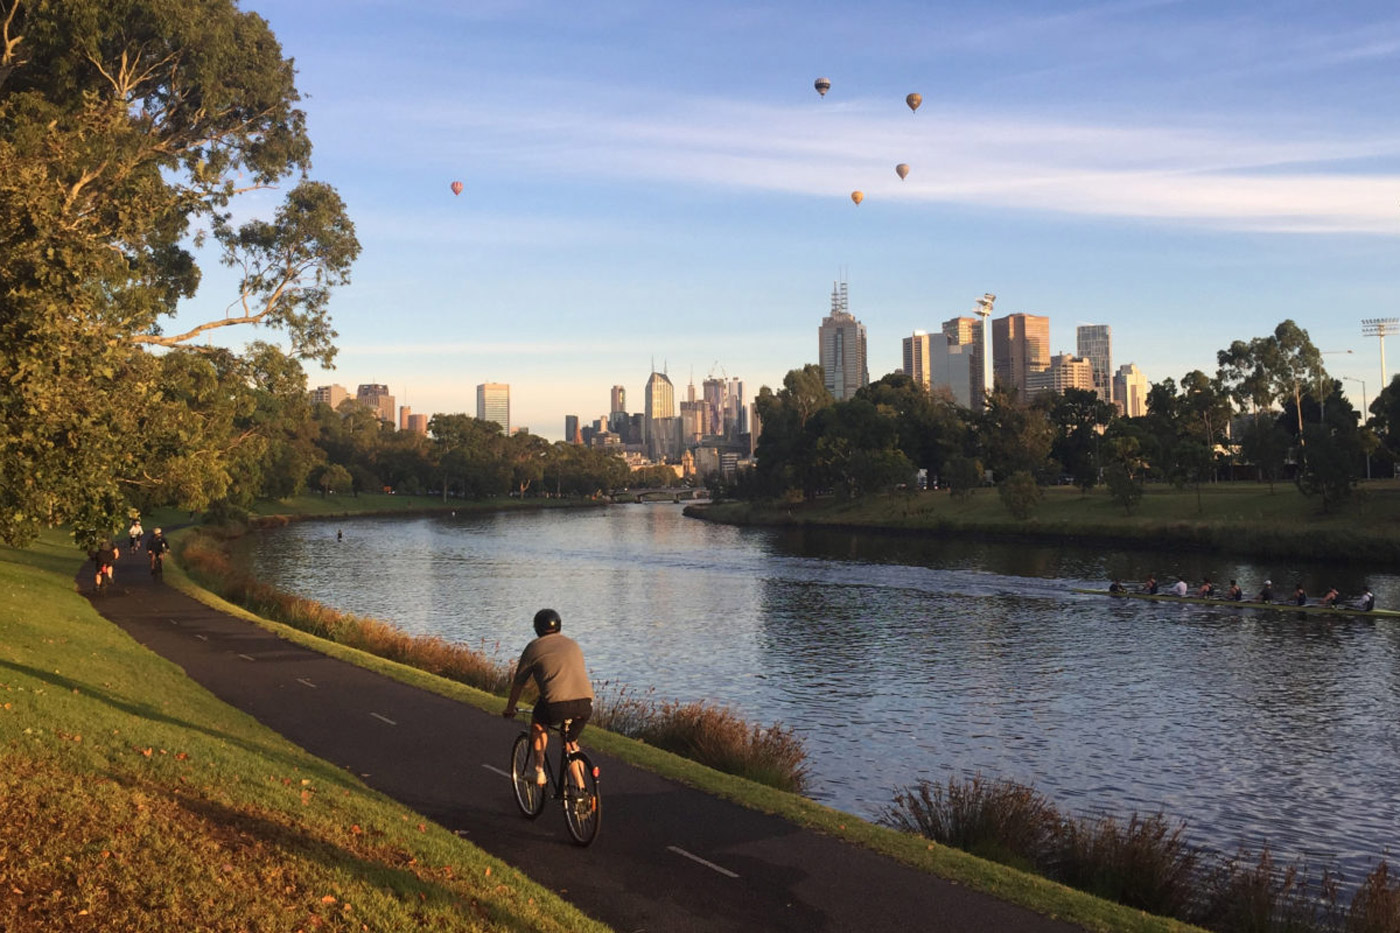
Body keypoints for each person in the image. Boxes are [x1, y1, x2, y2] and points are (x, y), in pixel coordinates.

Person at [502, 609, 594, 789]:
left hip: (556, 705)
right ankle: (581, 790)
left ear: (537, 628)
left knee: (538, 723)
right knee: (571, 743)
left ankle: (538, 770)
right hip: (585, 704)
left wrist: (510, 708)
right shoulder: (573, 644)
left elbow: (519, 682)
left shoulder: (534, 647)